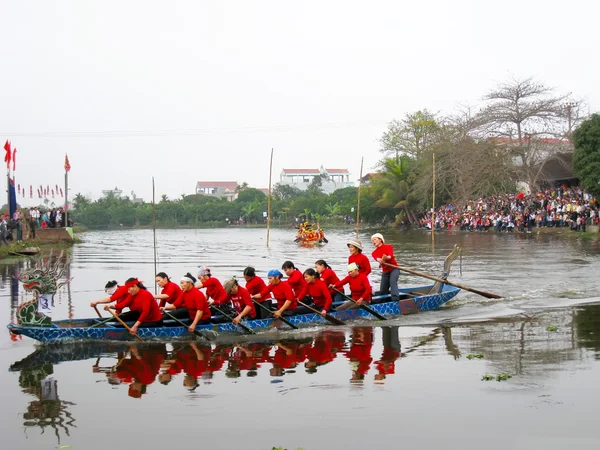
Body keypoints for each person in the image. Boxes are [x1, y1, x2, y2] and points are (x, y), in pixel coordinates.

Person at [370, 233, 400, 302]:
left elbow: (390, 256)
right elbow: (378, 259)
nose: (373, 242)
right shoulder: (374, 253)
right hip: (385, 271)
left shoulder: (389, 246)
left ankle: (395, 300)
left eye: (375, 239)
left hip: (394, 269)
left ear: (380, 240)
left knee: (392, 282)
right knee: (383, 289)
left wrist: (385, 258)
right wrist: (382, 260)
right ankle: (383, 302)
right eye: (372, 241)